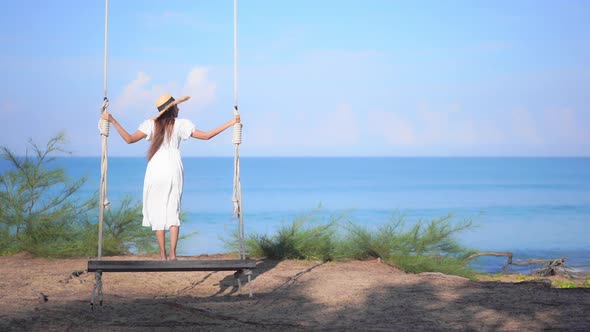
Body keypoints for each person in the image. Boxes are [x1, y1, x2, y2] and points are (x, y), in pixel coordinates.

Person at [101, 93, 240, 260]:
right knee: (173, 209)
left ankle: (163, 255)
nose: (179, 107)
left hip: (155, 169)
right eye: (177, 105)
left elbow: (129, 139)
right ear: (172, 108)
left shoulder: (150, 125)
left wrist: (112, 120)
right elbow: (207, 136)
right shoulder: (181, 125)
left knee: (157, 209)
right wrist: (231, 123)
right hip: (173, 168)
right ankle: (173, 254)